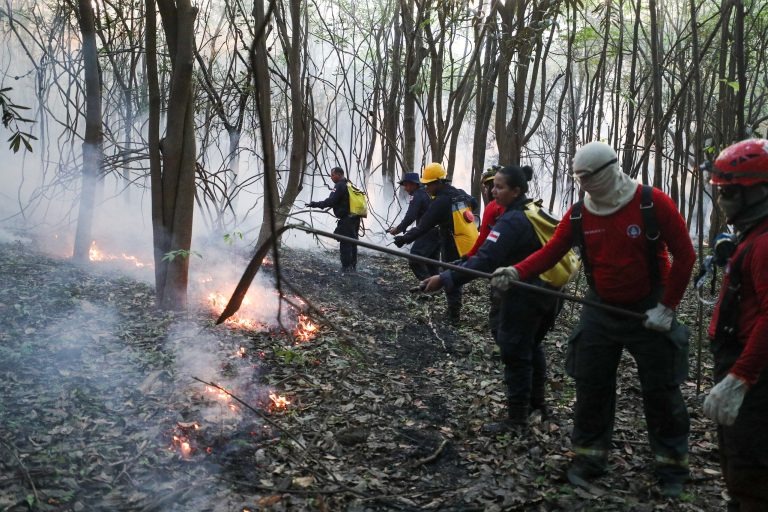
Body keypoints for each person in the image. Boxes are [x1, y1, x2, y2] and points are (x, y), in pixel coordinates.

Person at [492, 141, 695, 497]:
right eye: (578, 177)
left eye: (588, 177)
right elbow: (551, 251)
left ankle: (671, 465)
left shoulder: (652, 202)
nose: (583, 184)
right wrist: (516, 271)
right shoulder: (579, 214)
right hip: (600, 307)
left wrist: (668, 307)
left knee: (662, 389)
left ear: (609, 170)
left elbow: (686, 255)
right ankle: (589, 457)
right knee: (590, 383)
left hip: (649, 307)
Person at [421, 165, 560, 430]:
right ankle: (538, 405)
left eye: (500, 187)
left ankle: (517, 419)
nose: (492, 191)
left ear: (516, 190)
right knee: (531, 345)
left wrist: (445, 279)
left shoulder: (512, 220)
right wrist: (456, 266)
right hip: (546, 293)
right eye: (492, 185)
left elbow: (486, 260)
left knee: (515, 350)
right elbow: (484, 252)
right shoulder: (529, 211)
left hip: (525, 296)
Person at [702, 138, 768, 511]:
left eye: (729, 192)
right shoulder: (753, 235)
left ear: (758, 192)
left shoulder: (764, 244)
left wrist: (739, 378)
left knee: (750, 466)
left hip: (755, 373)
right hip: (744, 363)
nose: (723, 201)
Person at [394, 162, 475, 323]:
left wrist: (404, 239)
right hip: (469, 239)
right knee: (451, 272)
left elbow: (424, 226)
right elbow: (474, 204)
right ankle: (451, 309)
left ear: (437, 182)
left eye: (428, 184)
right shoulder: (460, 193)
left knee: (451, 274)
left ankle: (453, 317)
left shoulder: (441, 201)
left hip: (453, 242)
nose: (427, 188)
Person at [387, 172, 440, 280]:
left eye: (406, 185)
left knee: (414, 259)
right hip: (437, 232)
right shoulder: (426, 193)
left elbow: (411, 216)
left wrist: (398, 229)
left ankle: (428, 287)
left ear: (414, 184)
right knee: (432, 264)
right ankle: (436, 291)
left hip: (427, 232)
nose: (405, 188)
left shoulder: (417, 195)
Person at [307, 167, 360, 273]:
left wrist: (315, 204)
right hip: (355, 218)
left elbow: (331, 201)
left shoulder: (340, 185)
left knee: (345, 243)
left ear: (339, 175)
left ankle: (346, 269)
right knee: (353, 242)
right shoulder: (349, 183)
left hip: (347, 220)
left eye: (332, 175)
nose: (331, 178)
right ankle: (353, 266)